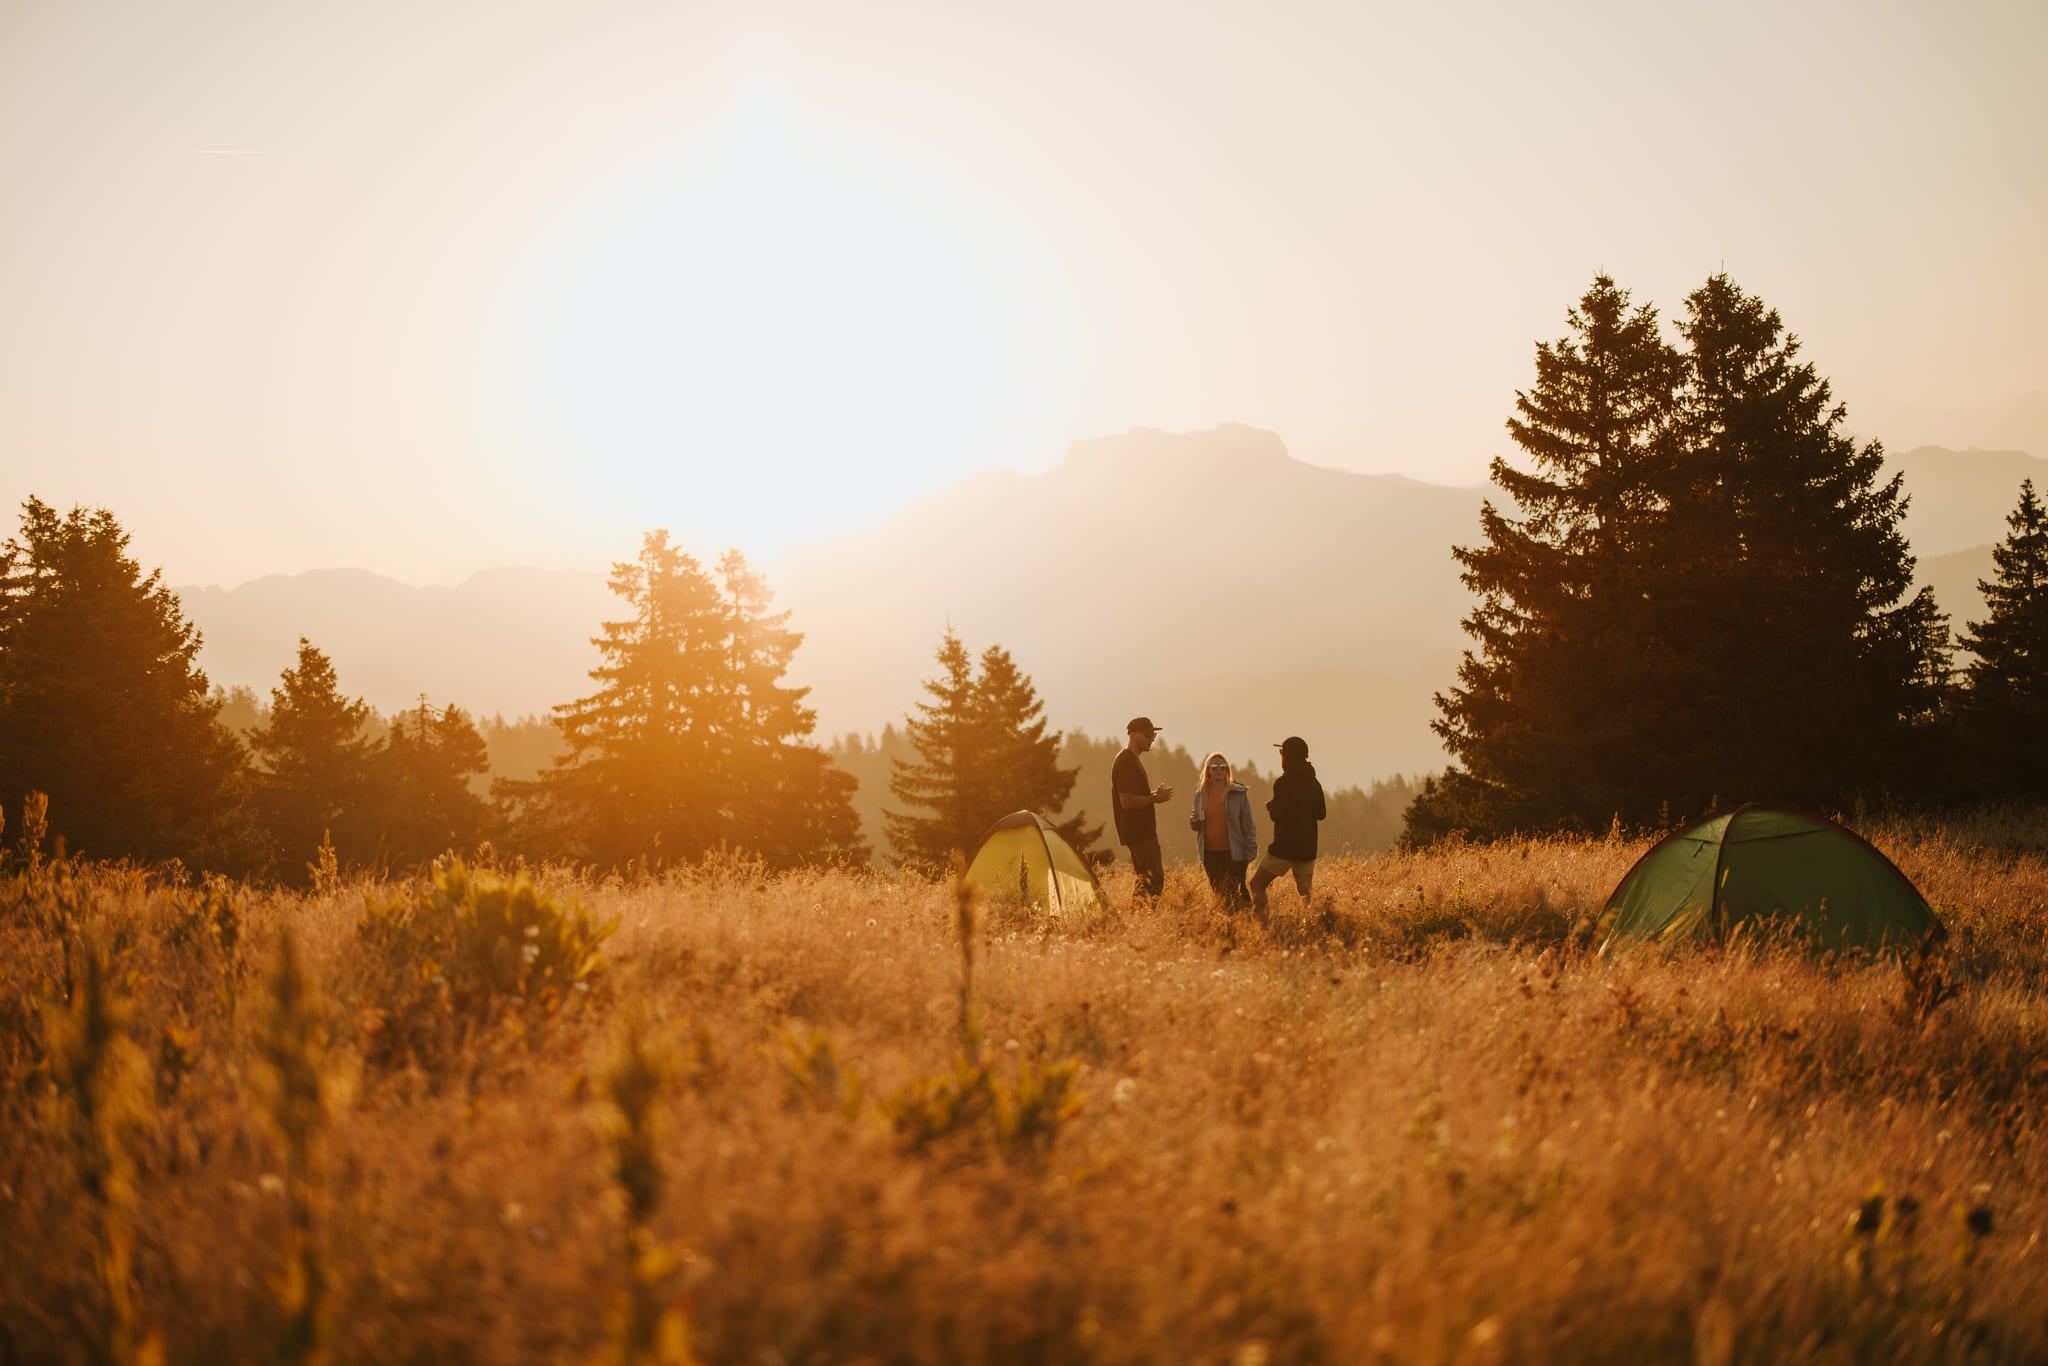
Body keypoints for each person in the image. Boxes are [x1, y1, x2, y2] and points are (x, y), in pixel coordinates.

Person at [1249, 735, 1326, 915]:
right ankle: (1312, 924)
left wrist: (1271, 806)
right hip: (1308, 847)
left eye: (1282, 752)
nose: (1281, 756)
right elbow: (1321, 814)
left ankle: (1262, 924)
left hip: (1285, 847)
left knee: (1257, 884)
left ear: (1287, 756)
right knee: (1305, 892)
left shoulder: (1283, 783)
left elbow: (1279, 815)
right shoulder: (1314, 783)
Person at [1111, 716, 1173, 898]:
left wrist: (1154, 796)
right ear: (1134, 735)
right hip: (1139, 833)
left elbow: (1134, 797)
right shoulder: (1126, 762)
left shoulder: (1130, 760)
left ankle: (1138, 917)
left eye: (1153, 735)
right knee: (1153, 879)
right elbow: (1127, 801)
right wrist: (1155, 799)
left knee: (1146, 879)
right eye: (1148, 734)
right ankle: (1141, 915)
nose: (1152, 738)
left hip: (1140, 832)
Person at [1189, 751, 1257, 909]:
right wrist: (1193, 820)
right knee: (1219, 893)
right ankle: (1228, 924)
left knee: (1232, 892)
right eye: (1214, 767)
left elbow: (1248, 824)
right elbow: (1195, 826)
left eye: (1222, 766)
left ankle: (1239, 924)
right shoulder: (1200, 794)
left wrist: (1251, 849)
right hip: (1209, 853)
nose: (1218, 770)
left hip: (1234, 853)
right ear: (1208, 771)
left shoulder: (1238, 792)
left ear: (1227, 769)